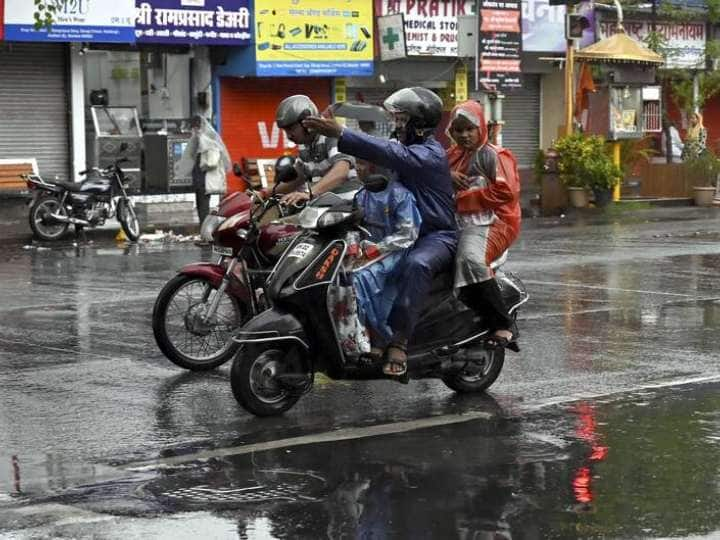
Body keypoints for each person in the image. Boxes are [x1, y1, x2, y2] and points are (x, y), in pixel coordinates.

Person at [304, 87, 457, 378]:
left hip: (434, 236)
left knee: (416, 264)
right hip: (398, 231)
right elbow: (375, 175)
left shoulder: (428, 153)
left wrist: (341, 132)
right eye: (396, 120)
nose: (397, 126)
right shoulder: (403, 146)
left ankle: (398, 342)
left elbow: (386, 152)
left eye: (402, 120)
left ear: (418, 123)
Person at [447, 100, 521, 350]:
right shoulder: (452, 156)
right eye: (458, 130)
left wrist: (462, 199)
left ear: (481, 128)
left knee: (469, 260)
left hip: (495, 222)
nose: (464, 135)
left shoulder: (493, 155)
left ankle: (504, 324)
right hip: (461, 223)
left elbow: (506, 192)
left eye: (470, 128)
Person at [351, 175, 422, 358]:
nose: (359, 168)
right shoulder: (361, 193)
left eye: (364, 164)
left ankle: (377, 337)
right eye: (357, 163)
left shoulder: (400, 195)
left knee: (360, 278)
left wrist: (379, 248)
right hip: (369, 249)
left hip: (396, 250)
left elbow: (408, 232)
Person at [273, 95, 357, 206]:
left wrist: (309, 193)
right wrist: (265, 193)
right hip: (323, 210)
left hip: (348, 207)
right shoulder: (304, 144)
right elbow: (298, 177)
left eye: (291, 129)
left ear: (307, 123)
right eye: (285, 131)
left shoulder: (331, 134)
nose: (289, 135)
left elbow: (341, 171)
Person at [177, 115, 232, 224]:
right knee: (200, 204)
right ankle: (203, 229)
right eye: (193, 128)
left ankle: (205, 231)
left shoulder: (207, 139)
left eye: (195, 128)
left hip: (204, 179)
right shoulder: (197, 139)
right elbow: (190, 155)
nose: (194, 130)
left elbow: (211, 160)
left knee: (203, 206)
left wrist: (200, 136)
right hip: (199, 178)